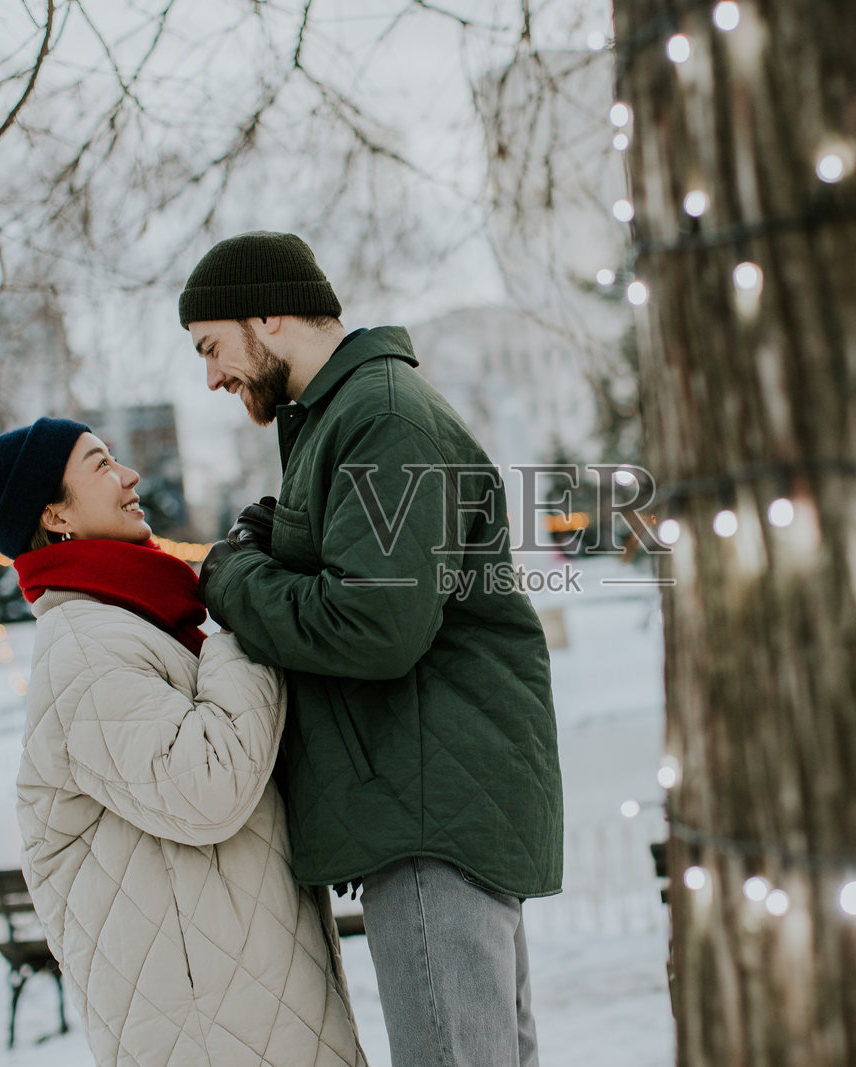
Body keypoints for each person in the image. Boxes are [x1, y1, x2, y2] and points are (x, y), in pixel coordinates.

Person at [180, 232, 564, 1067]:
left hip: (430, 807)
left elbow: (374, 624)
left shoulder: (381, 417)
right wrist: (275, 536)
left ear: (269, 316)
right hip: (431, 793)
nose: (211, 375)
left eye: (212, 346)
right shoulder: (343, 419)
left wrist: (232, 577)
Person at [0, 416, 365, 1067]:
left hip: (242, 1015)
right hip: (215, 1035)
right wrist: (245, 613)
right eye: (99, 464)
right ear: (56, 512)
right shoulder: (87, 650)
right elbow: (208, 786)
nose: (129, 476)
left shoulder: (139, 623)